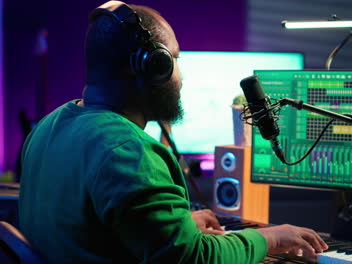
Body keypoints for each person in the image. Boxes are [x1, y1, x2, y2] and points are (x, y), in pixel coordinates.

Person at [19, 1, 328, 263]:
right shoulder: (129, 151)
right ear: (152, 67)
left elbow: (88, 227)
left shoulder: (50, 125)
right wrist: (270, 238)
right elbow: (192, 258)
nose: (182, 77)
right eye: (175, 59)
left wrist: (175, 226)